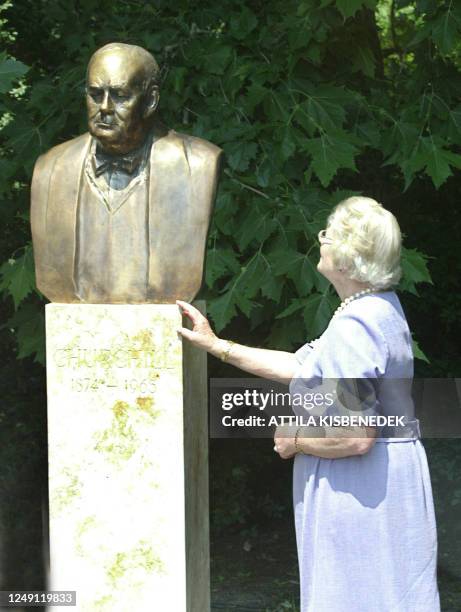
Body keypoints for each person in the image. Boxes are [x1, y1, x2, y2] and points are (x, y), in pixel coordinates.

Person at [177, 196, 440, 612]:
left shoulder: (358, 323)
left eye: (328, 235)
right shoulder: (373, 308)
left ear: (348, 258)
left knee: (359, 598)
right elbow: (301, 366)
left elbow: (355, 436)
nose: (321, 241)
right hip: (379, 480)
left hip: (362, 488)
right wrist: (218, 346)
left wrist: (295, 439)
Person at [31, 42, 222, 304]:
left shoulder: (197, 165)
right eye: (95, 94)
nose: (105, 107)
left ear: (150, 101)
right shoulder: (51, 169)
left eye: (120, 96)